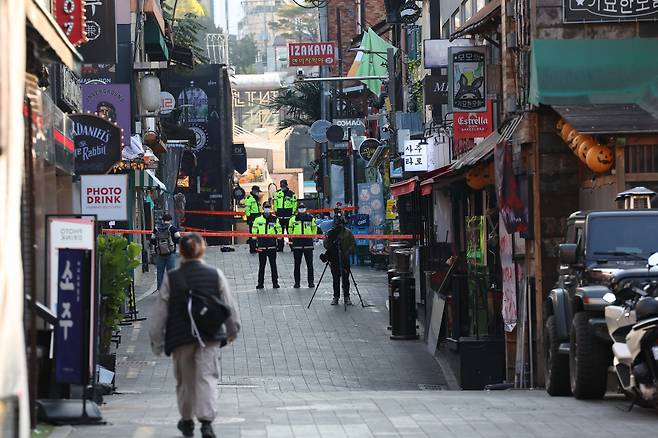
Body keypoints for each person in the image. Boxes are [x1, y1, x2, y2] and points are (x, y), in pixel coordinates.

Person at [149, 233, 240, 438]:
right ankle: (206, 422)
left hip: (180, 338)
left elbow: (160, 313)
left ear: (180, 251)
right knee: (206, 377)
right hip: (209, 336)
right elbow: (229, 305)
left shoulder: (171, 278)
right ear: (202, 250)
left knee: (185, 380)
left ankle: (187, 420)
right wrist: (232, 330)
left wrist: (157, 341)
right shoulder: (215, 274)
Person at [323, 213, 356, 306]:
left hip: (345, 259)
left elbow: (353, 244)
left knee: (345, 279)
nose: (339, 225)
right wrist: (331, 244)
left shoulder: (348, 232)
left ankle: (347, 297)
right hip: (334, 259)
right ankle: (336, 297)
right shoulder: (330, 232)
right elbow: (325, 244)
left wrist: (348, 251)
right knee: (336, 279)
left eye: (340, 222)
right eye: (337, 223)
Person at [252, 202, 282, 289]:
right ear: (263, 208)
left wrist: (280, 242)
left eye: (268, 207)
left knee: (273, 265)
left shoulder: (275, 219)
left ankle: (275, 283)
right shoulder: (258, 220)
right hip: (261, 246)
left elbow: (279, 230)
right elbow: (254, 232)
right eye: (266, 207)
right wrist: (254, 243)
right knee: (262, 266)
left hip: (272, 245)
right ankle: (260, 283)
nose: (267, 209)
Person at [289, 203, 318, 288]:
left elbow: (314, 228)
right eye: (300, 208)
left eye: (303, 208)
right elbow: (290, 229)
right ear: (298, 209)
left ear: (305, 209)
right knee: (297, 264)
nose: (301, 209)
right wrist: (292, 237)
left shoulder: (310, 218)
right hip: (297, 243)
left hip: (308, 243)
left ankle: (311, 282)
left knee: (310, 265)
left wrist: (312, 237)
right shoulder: (293, 219)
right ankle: (297, 283)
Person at [151, 213, 181, 291]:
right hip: (170, 253)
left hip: (159, 253)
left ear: (163, 220)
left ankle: (160, 289)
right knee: (171, 272)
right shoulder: (173, 228)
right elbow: (178, 238)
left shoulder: (156, 229)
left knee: (160, 272)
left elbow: (152, 240)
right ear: (170, 220)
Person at [273, 179, 297, 252]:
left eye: (284, 186)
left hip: (288, 215)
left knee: (290, 232)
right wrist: (276, 210)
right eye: (281, 186)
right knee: (280, 232)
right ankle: (280, 247)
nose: (282, 187)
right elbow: (275, 202)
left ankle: (292, 247)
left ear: (286, 186)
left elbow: (294, 203)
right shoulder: (277, 193)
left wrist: (293, 211)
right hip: (280, 215)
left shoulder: (291, 194)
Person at [243, 185, 262, 254]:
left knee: (257, 233)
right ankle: (252, 248)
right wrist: (250, 218)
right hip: (252, 217)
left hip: (258, 216)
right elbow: (247, 209)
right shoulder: (249, 198)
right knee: (253, 234)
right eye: (257, 192)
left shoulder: (256, 198)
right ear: (254, 191)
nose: (258, 193)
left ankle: (256, 247)